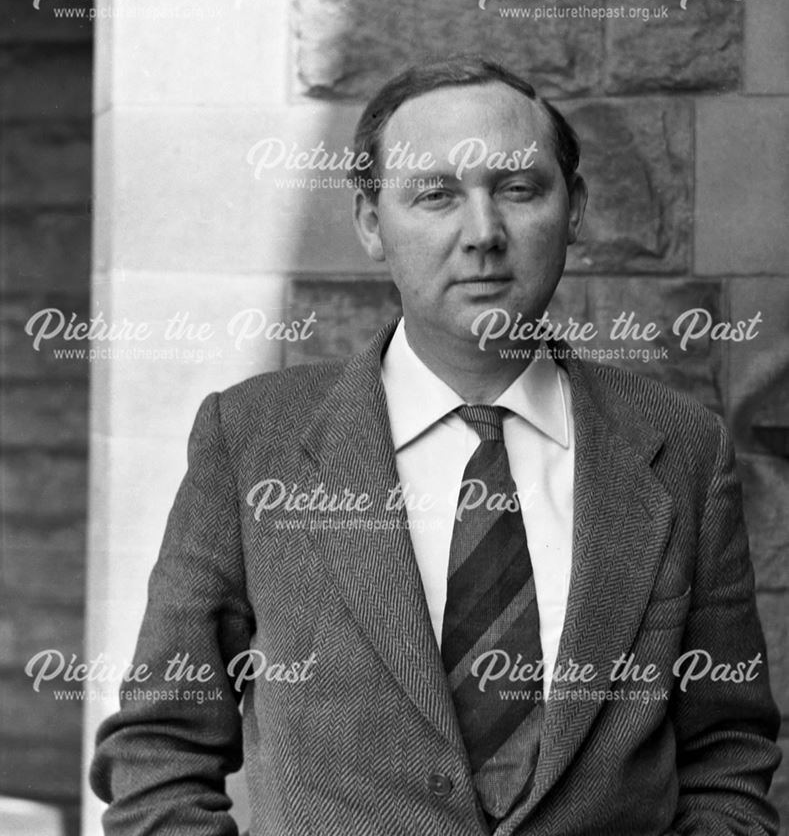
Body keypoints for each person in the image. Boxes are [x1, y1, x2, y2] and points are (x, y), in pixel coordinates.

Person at [90, 56, 781, 835]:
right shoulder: (252, 442)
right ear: (369, 222)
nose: (482, 234)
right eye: (435, 194)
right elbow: (159, 751)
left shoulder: (681, 450)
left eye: (518, 189)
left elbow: (726, 749)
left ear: (574, 207)